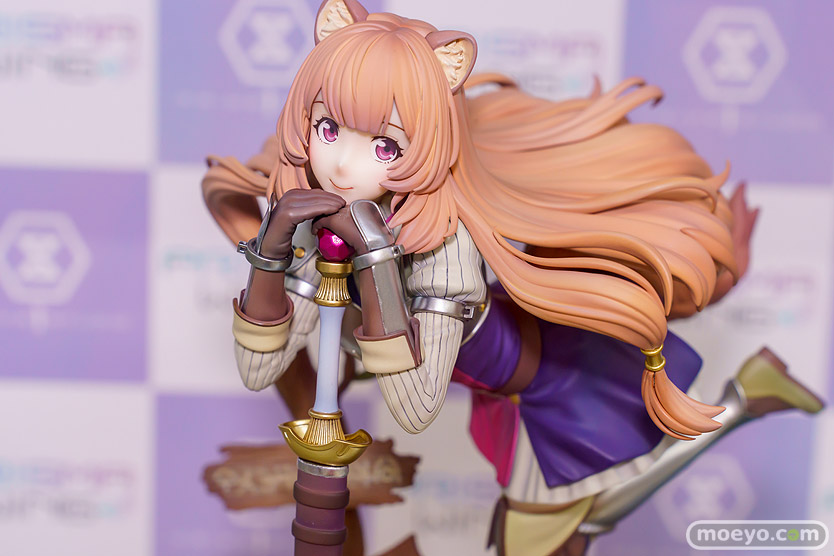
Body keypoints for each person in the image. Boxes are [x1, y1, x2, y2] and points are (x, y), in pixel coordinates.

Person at [202, 2, 824, 554]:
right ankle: (748, 395)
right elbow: (259, 369)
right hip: (501, 397)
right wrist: (272, 253)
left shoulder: (444, 250)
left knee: (556, 531)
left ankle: (744, 399)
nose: (341, 164)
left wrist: (379, 264)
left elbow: (414, 407)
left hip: (559, 391)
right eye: (328, 130)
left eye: (385, 147)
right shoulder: (316, 226)